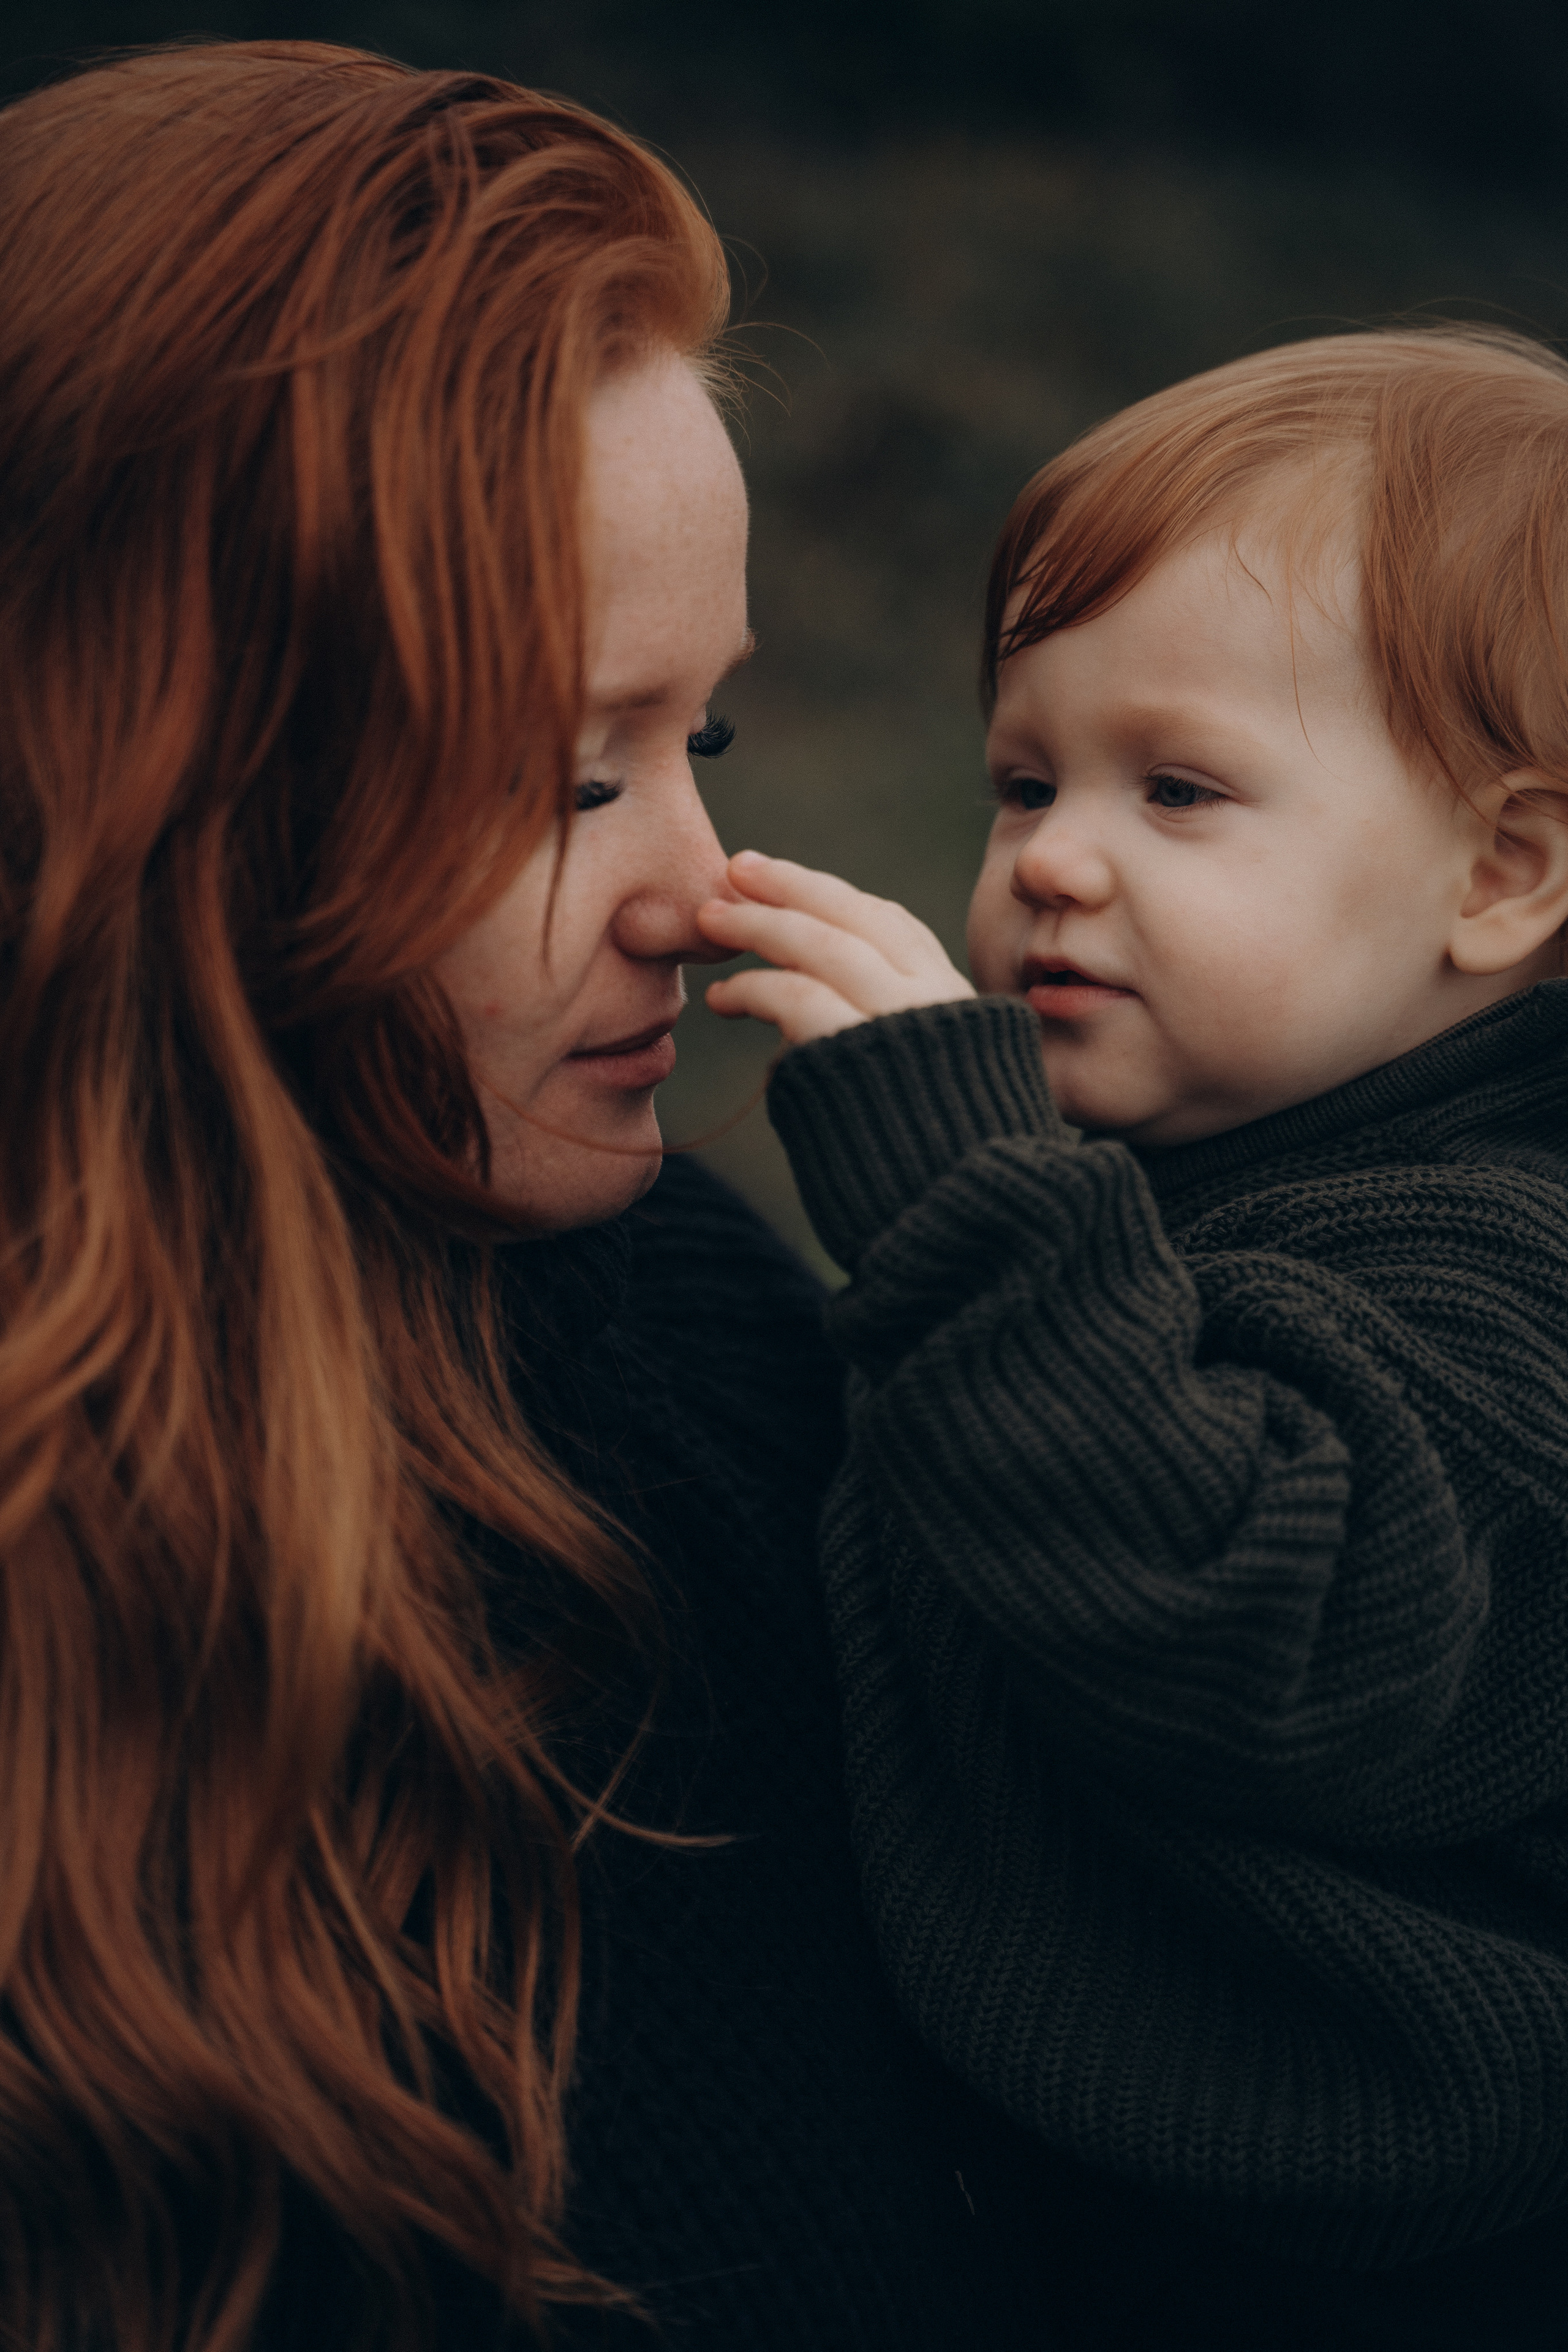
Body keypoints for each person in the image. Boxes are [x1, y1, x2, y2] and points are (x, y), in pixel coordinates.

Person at [0, 40, 1050, 2352]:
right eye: (572, 776)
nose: (701, 888)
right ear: (172, 793)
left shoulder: (696, 1352)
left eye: (713, 741)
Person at [697, 325, 1568, 2350]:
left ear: (1500, 875)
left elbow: (1261, 1611)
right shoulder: (1184, 1201)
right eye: (1025, 782)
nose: (1052, 862)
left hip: (1368, 2253)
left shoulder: (1508, 1266)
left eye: (1180, 791)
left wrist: (964, 1206)